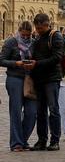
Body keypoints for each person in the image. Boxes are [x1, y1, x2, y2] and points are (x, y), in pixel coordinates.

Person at [29, 13, 65, 151]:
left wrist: (36, 63)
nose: (38, 30)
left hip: (52, 78)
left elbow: (57, 57)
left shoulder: (55, 36)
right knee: (40, 111)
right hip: (39, 79)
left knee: (53, 109)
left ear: (47, 25)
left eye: (41, 28)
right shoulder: (38, 38)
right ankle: (42, 140)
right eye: (37, 28)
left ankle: (55, 140)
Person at [2, 20, 38, 151]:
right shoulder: (11, 42)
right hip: (15, 78)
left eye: (28, 35)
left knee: (32, 112)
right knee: (16, 111)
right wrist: (16, 63)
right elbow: (2, 60)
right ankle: (16, 143)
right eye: (23, 35)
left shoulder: (34, 43)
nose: (25, 38)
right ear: (19, 31)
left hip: (30, 79)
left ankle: (23, 139)